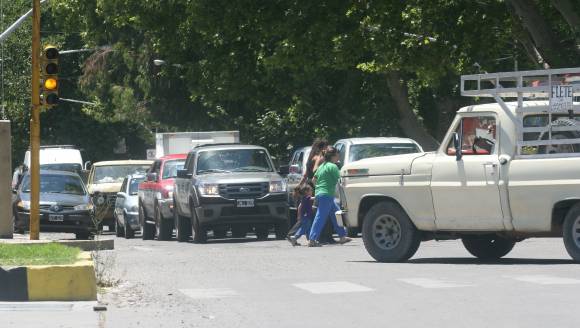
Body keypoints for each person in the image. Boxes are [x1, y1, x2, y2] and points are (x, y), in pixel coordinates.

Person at [308, 146, 351, 247]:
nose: (338, 157)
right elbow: (340, 180)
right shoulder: (333, 166)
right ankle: (312, 239)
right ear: (333, 156)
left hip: (321, 193)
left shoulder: (322, 166)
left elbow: (313, 180)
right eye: (337, 155)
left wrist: (319, 188)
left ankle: (342, 236)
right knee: (320, 217)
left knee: (336, 213)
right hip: (326, 194)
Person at [287, 139, 328, 238]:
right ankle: (297, 234)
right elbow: (315, 172)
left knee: (308, 212)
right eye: (326, 147)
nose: (327, 150)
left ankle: (307, 234)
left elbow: (305, 175)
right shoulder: (318, 158)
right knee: (313, 213)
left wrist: (299, 186)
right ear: (322, 148)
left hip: (309, 185)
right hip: (314, 186)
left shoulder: (311, 158)